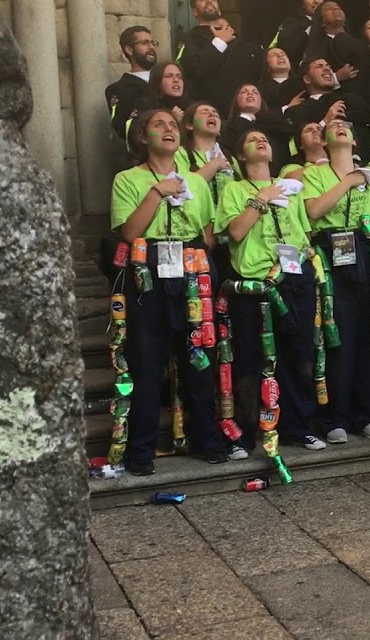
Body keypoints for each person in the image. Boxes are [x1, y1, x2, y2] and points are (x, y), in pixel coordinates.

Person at [109, 109, 224, 474]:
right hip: (148, 266)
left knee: (199, 355)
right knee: (147, 360)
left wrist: (196, 259)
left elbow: (208, 234)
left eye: (173, 125)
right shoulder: (128, 179)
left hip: (192, 265)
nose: (169, 129)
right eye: (159, 124)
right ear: (143, 137)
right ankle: (140, 449)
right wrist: (158, 192)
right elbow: (130, 232)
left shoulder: (197, 183)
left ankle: (206, 438)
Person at [215, 128, 326, 456]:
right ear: (241, 155)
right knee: (252, 358)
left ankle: (299, 427)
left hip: (294, 278)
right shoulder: (235, 189)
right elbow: (235, 232)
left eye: (263, 138)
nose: (260, 141)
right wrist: (261, 199)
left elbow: (304, 234)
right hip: (255, 284)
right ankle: (245, 434)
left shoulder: (291, 187)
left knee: (299, 354)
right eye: (251, 140)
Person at [301, 118, 370, 443]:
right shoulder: (313, 174)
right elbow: (313, 211)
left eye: (346, 126)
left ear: (355, 141)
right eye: (333, 126)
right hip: (331, 254)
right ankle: (333, 417)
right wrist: (350, 181)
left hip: (367, 253)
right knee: (337, 334)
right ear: (324, 141)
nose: (340, 128)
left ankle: (367, 413)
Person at [176, 0, 262, 112]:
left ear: (219, 9)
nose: (209, 0)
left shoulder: (241, 42)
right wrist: (219, 42)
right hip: (211, 111)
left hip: (243, 112)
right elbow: (195, 68)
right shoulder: (190, 38)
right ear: (194, 11)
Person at [284, 57, 370, 155]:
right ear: (307, 79)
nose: (327, 68)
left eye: (328, 66)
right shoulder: (297, 111)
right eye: (319, 66)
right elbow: (301, 144)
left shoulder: (352, 99)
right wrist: (325, 121)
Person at [303, 1, 370, 105]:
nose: (336, 9)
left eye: (337, 7)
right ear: (322, 22)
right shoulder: (316, 48)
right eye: (328, 8)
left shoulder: (360, 44)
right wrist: (336, 77)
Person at [224, 82, 294, 173]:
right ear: (236, 101)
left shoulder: (275, 126)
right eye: (244, 92)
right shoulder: (228, 127)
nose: (250, 93)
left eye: (255, 92)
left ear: (261, 101)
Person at [107, 25, 157, 141]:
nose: (151, 47)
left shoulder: (169, 79)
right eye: (144, 43)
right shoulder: (118, 90)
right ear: (129, 50)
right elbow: (125, 130)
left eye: (153, 43)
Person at [269, 0, 324, 68]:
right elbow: (287, 50)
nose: (316, 1)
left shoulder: (329, 24)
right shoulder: (292, 23)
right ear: (302, 3)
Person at [258, 47, 303, 112]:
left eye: (283, 54)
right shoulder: (261, 90)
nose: (280, 56)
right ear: (267, 66)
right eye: (274, 55)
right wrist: (288, 107)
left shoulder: (302, 84)